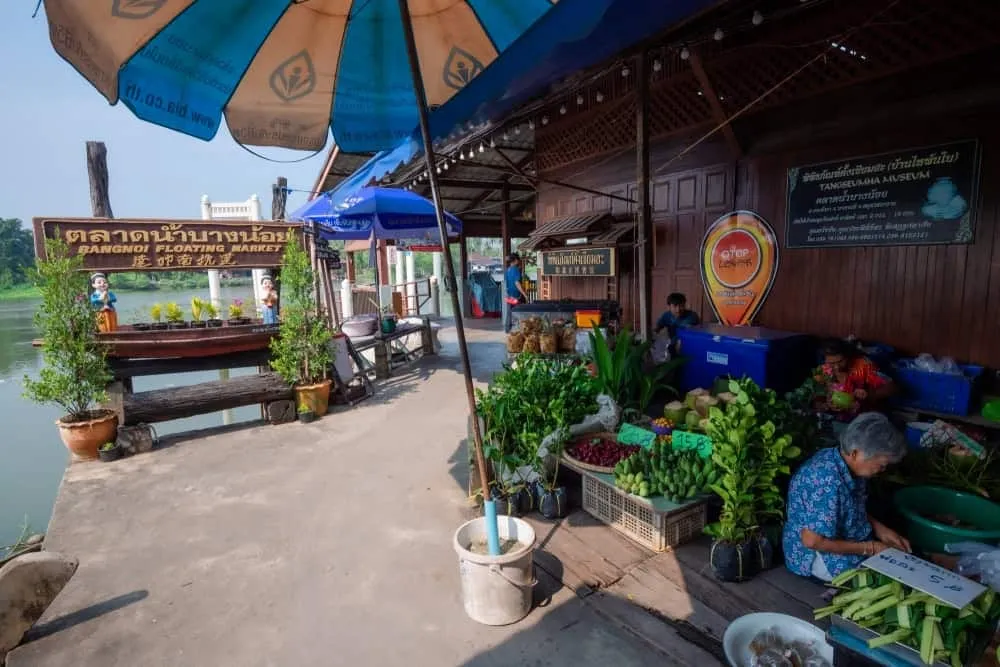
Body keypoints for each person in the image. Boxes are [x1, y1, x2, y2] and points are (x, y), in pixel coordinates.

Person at [783, 412, 910, 583]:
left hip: (845, 536)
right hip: (816, 555)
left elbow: (849, 506)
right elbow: (812, 541)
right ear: (856, 453)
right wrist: (870, 548)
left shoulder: (843, 461)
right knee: (882, 579)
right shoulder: (827, 481)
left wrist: (880, 529)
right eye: (881, 465)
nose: (882, 470)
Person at [817, 338, 895, 415]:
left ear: (847, 357)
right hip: (838, 417)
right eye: (832, 363)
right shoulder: (823, 370)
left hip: (865, 416)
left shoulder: (863, 366)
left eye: (840, 361)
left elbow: (892, 388)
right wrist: (826, 404)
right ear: (825, 360)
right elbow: (817, 396)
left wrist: (869, 394)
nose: (837, 367)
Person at [503, 253, 528, 333]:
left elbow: (507, 282)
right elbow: (517, 283)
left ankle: (508, 329)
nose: (519, 261)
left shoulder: (508, 270)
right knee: (519, 312)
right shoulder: (516, 270)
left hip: (509, 295)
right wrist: (524, 294)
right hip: (516, 295)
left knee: (509, 312)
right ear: (516, 260)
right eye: (518, 259)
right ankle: (519, 330)